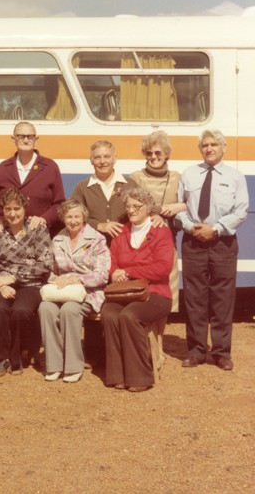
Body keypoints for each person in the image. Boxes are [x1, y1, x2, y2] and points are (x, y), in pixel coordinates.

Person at [176, 129, 249, 371]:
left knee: (223, 298)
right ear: (200, 149)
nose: (209, 148)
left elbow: (241, 211)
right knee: (194, 297)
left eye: (214, 144)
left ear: (223, 147)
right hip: (193, 241)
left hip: (223, 243)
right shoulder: (188, 175)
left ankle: (221, 352)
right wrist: (190, 226)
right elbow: (180, 207)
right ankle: (196, 351)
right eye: (205, 145)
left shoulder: (236, 177)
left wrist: (216, 229)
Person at [101, 187, 174, 392]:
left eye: (136, 206)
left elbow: (163, 267)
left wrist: (130, 271)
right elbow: (113, 264)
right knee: (109, 314)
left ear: (148, 208)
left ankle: (140, 376)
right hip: (125, 293)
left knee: (130, 316)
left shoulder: (160, 231)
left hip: (156, 294)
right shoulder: (121, 233)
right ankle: (118, 375)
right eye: (128, 206)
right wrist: (115, 272)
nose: (131, 210)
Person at [0, 187, 52, 377]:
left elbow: (45, 264)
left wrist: (14, 277)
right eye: (8, 209)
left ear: (25, 208)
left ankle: (16, 356)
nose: (12, 214)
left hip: (31, 284)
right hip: (0, 283)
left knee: (20, 311)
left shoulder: (38, 228)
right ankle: (0, 358)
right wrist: (0, 285)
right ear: (2, 211)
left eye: (17, 208)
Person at [38, 199, 110, 383]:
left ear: (84, 217)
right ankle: (54, 365)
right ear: (63, 218)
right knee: (45, 309)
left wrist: (77, 279)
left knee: (70, 309)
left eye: (77, 216)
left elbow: (102, 275)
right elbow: (52, 272)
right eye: (69, 216)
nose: (73, 220)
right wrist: (58, 280)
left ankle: (73, 366)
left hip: (89, 292)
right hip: (62, 292)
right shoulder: (58, 239)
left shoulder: (96, 239)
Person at [129, 131, 185, 313]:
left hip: (167, 242)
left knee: (165, 294)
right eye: (149, 153)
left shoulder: (177, 177)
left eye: (158, 153)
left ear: (166, 154)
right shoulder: (136, 177)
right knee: (142, 294)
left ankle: (158, 342)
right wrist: (160, 211)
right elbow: (132, 205)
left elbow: (189, 205)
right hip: (142, 245)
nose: (153, 157)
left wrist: (178, 207)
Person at [0, 121, 65, 234]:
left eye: (30, 136)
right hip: (7, 236)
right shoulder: (3, 168)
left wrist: (44, 219)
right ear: (13, 139)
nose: (26, 140)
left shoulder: (50, 167)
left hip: (39, 235)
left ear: (36, 140)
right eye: (21, 136)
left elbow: (60, 203)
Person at [71, 140, 140, 241]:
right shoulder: (82, 188)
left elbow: (144, 208)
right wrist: (99, 225)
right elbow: (73, 216)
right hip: (93, 246)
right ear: (91, 160)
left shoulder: (130, 184)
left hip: (127, 243)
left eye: (107, 156)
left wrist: (156, 214)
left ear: (115, 158)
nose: (102, 161)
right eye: (97, 157)